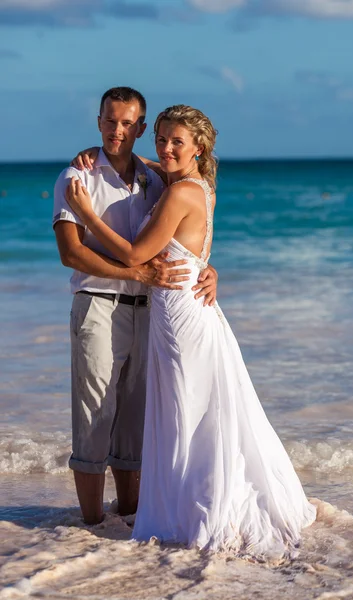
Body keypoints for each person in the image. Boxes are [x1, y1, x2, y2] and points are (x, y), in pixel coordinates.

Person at [66, 104, 316, 558]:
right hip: (182, 311)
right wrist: (101, 150)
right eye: (160, 138)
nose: (165, 147)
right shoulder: (190, 184)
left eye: (176, 140)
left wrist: (87, 211)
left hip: (182, 316)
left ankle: (193, 510)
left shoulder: (181, 193)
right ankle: (180, 503)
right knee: (189, 410)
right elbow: (184, 234)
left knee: (187, 410)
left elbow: (136, 253)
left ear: (199, 147)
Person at [53, 88, 218, 525]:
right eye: (110, 122)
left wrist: (208, 268)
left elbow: (185, 237)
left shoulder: (159, 179)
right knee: (94, 412)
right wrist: (137, 273)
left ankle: (128, 514)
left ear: (140, 128)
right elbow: (71, 254)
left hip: (152, 311)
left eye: (128, 124)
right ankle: (89, 523)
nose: (117, 131)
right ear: (99, 121)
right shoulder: (78, 177)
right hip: (98, 304)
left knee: (135, 416)